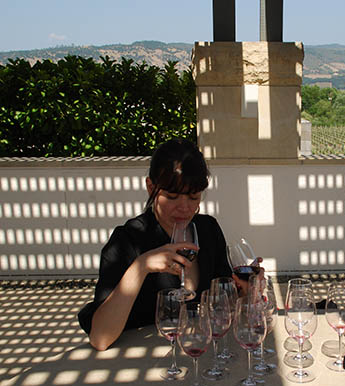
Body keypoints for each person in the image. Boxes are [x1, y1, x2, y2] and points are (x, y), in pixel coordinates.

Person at [78, 138, 233, 351]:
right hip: (143, 363)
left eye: (193, 197)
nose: (184, 208)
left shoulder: (208, 230)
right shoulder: (127, 240)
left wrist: (245, 288)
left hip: (200, 357)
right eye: (172, 196)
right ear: (151, 188)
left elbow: (223, 302)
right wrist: (141, 267)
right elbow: (100, 338)